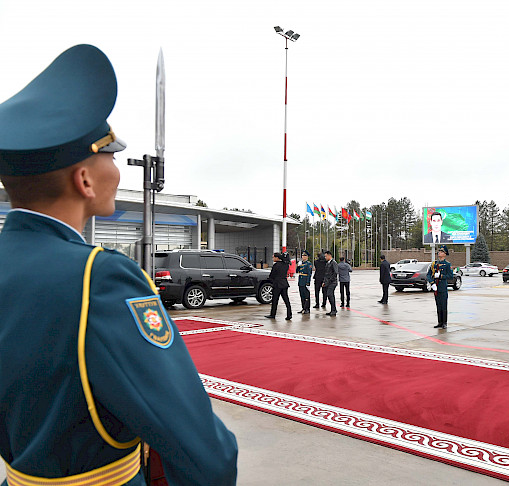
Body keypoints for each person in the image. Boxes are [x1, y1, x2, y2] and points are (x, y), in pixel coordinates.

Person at [0, 45, 237, 485]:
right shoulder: (100, 277)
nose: (116, 166)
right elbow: (204, 452)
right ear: (84, 180)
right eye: (109, 154)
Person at [427, 245, 454, 328]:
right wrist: (432, 283)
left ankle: (444, 322)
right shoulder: (434, 264)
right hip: (436, 287)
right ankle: (439, 322)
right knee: (438, 305)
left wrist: (441, 276)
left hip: (442, 287)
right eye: (439, 251)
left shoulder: (447, 264)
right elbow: (428, 274)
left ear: (445, 254)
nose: (439, 253)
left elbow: (450, 276)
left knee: (443, 305)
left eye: (442, 252)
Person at [266, 252, 293, 320]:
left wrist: (271, 280)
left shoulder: (276, 265)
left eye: (273, 257)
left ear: (277, 258)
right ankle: (289, 314)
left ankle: (273, 314)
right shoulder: (286, 265)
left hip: (277, 284)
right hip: (284, 283)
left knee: (275, 300)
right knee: (286, 300)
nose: (272, 258)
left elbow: (272, 275)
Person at [322, 250, 339, 315]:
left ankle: (334, 310)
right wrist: (324, 281)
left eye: (326, 256)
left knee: (330, 294)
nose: (325, 257)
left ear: (329, 255)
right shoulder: (328, 263)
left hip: (332, 282)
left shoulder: (333, 263)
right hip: (328, 282)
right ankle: (333, 309)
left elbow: (335, 272)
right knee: (329, 295)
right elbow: (326, 274)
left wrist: (330, 280)